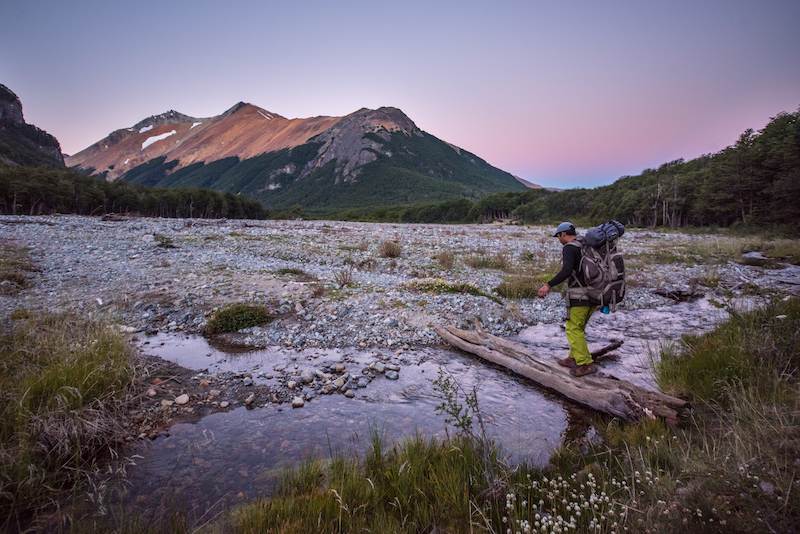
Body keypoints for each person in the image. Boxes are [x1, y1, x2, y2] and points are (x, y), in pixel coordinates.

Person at [537, 222, 598, 377]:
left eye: (558, 236)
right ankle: (573, 357)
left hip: (580, 296)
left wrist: (548, 285)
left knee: (572, 329)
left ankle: (586, 363)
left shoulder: (570, 248)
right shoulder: (585, 245)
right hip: (595, 294)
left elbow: (566, 270)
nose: (559, 240)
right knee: (579, 327)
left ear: (563, 234)